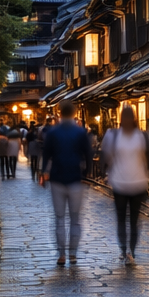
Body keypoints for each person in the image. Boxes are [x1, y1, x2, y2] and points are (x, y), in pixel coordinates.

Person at [101, 106, 149, 265]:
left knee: (134, 220)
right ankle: (124, 250)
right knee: (121, 219)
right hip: (119, 182)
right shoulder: (113, 135)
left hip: (138, 183)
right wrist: (105, 170)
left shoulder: (143, 136)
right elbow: (106, 155)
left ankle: (131, 250)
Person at [42, 103, 92, 265]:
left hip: (57, 178)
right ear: (74, 113)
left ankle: (61, 254)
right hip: (75, 178)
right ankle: (73, 253)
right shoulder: (80, 132)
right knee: (75, 218)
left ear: (60, 114)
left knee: (59, 218)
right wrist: (87, 173)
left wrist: (44, 172)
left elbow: (46, 153)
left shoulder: (53, 132)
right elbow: (88, 153)